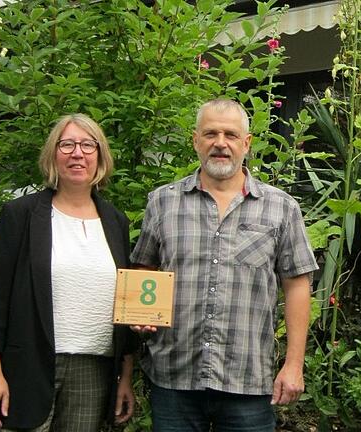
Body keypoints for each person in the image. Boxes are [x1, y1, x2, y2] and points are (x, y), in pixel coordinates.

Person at [131, 98, 318, 431]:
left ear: (246, 143)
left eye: (230, 135)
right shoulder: (162, 202)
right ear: (195, 140)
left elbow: (297, 285)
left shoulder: (281, 208)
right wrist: (141, 315)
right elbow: (145, 269)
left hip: (246, 379)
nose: (220, 143)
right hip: (175, 376)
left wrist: (294, 364)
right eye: (210, 134)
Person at [0, 114, 138, 431]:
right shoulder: (20, 215)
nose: (78, 153)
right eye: (68, 144)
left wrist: (125, 375)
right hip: (28, 365)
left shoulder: (116, 222)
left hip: (93, 369)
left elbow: (126, 302)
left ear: (100, 156)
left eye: (88, 145)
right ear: (53, 154)